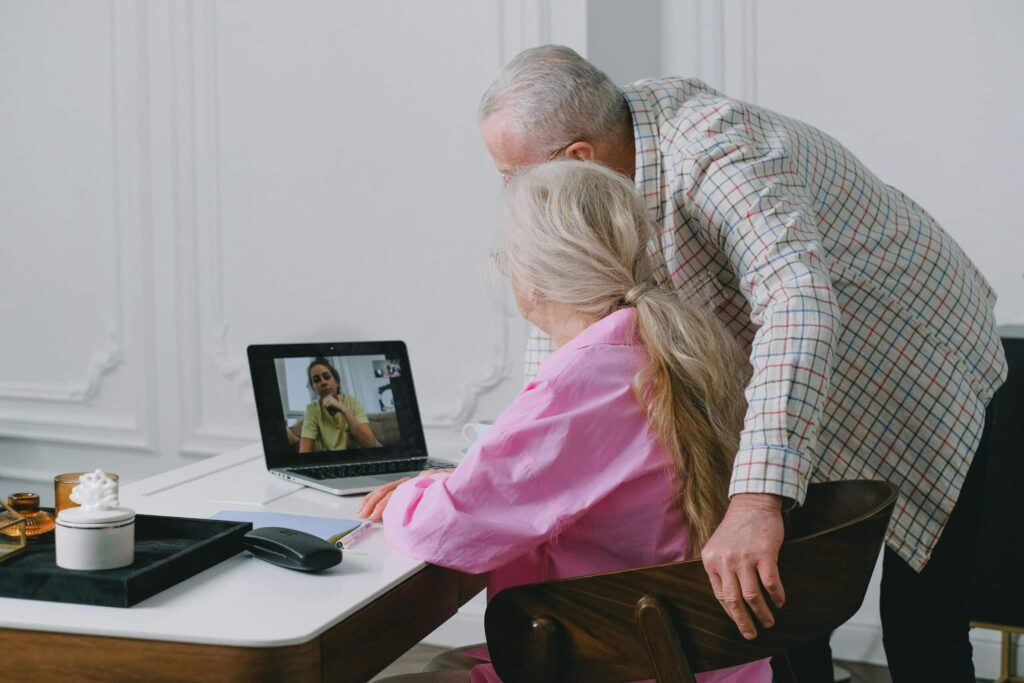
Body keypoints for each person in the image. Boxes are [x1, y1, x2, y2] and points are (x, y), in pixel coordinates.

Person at [473, 45, 1007, 681]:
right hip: (797, 381)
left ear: (578, 158)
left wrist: (756, 501)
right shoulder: (600, 179)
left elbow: (797, 300)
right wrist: (489, 472)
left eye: (512, 174)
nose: (511, 191)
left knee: (923, 628)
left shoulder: (713, 145)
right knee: (774, 617)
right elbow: (571, 344)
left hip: (916, 360)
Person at [365, 161, 769, 683]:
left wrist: (404, 497)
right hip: (704, 655)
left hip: (625, 657)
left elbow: (442, 529)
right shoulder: (662, 344)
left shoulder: (584, 380)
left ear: (531, 279)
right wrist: (463, 484)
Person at [299, 357, 379, 452]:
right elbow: (304, 452)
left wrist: (343, 410)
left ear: (336, 382)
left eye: (327, 377)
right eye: (316, 380)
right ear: (314, 389)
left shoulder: (352, 402)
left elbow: (370, 444)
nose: (323, 382)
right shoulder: (312, 410)